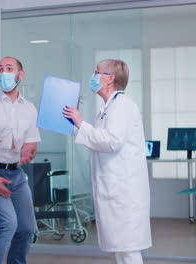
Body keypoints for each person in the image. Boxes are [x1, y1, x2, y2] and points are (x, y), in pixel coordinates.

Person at [63, 59, 151, 264]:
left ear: (110, 78)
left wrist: (80, 122)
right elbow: (96, 138)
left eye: (97, 72)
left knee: (128, 250)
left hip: (124, 192)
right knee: (119, 250)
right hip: (114, 189)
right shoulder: (107, 109)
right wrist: (76, 122)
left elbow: (112, 142)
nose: (93, 77)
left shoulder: (122, 105)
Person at [0, 57, 40, 264]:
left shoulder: (29, 108)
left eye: (9, 68)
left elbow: (32, 143)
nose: (3, 73)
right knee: (8, 224)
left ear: (20, 75)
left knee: (26, 228)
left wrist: (29, 150)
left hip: (16, 174)